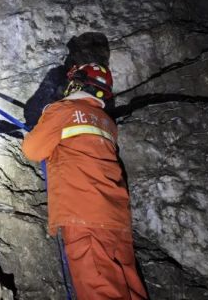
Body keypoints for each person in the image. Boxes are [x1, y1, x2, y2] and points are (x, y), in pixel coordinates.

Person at [21, 63, 148, 300]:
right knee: (130, 289)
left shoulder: (64, 110)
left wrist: (31, 132)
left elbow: (32, 149)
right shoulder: (107, 122)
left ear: (77, 83)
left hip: (85, 216)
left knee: (101, 291)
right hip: (117, 219)